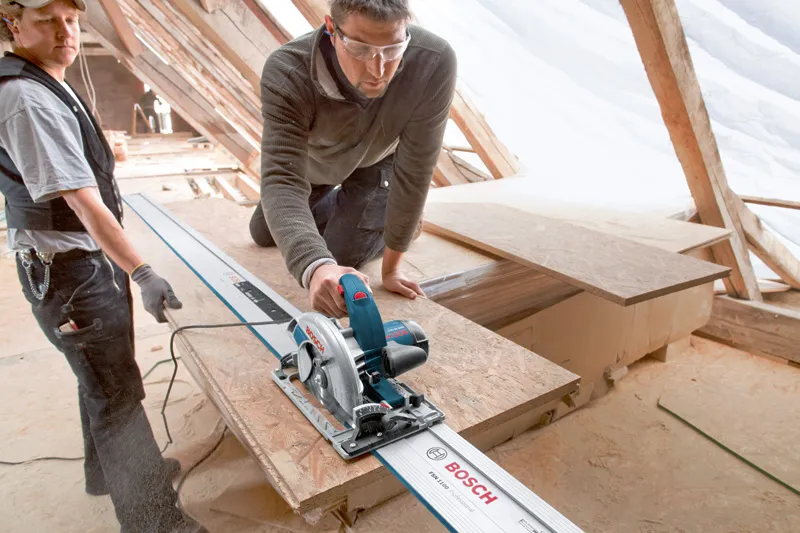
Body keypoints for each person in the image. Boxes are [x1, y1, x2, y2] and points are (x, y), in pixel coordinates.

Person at [0, 1, 207, 532]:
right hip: (70, 273)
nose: (64, 31)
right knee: (117, 395)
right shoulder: (26, 97)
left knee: (99, 376)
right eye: (47, 20)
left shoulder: (45, 78)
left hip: (76, 262)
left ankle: (106, 474)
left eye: (71, 19)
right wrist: (141, 270)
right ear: (13, 23)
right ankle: (154, 522)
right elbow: (84, 204)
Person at [249, 0, 457, 317]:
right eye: (360, 49)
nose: (378, 70)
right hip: (319, 165)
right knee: (264, 233)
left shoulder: (434, 60)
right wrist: (315, 266)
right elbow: (282, 180)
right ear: (331, 29)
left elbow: (416, 168)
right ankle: (362, 209)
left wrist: (391, 268)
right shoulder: (288, 71)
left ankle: (388, 216)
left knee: (340, 253)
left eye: (393, 49)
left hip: (379, 161)